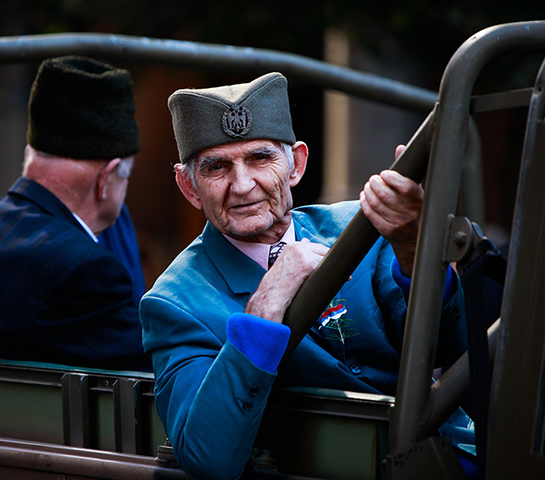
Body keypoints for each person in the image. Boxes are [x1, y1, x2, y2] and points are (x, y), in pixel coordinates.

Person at [139, 72, 469, 479]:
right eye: (217, 167)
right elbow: (209, 459)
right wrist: (264, 307)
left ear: (296, 164)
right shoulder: (175, 302)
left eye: (260, 158)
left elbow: (456, 346)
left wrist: (416, 249)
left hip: (456, 454)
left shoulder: (363, 227)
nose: (242, 185)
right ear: (189, 187)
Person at [0, 56, 151, 372]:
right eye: (126, 177)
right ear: (107, 179)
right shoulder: (87, 270)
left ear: (29, 154)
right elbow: (156, 372)